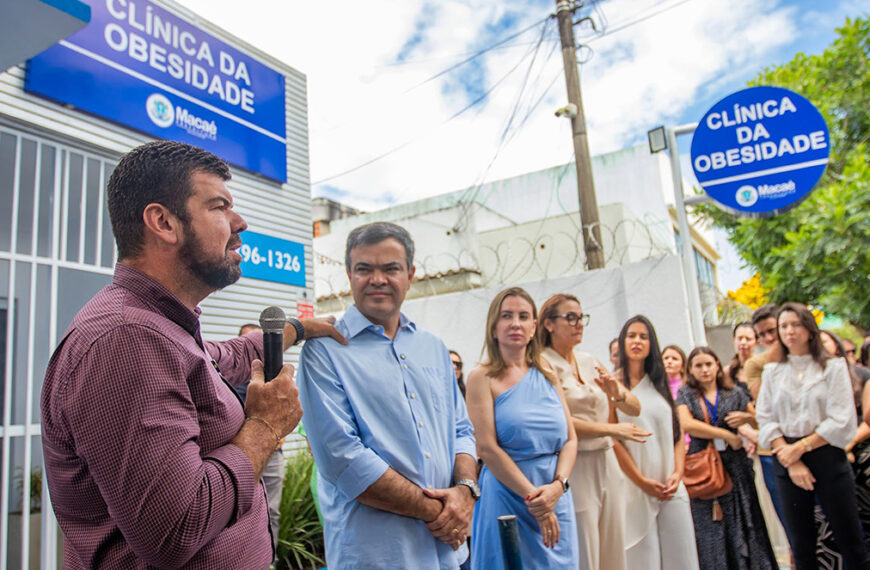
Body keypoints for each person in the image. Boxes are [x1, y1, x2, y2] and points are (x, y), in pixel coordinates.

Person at [40, 141, 346, 569]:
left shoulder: (163, 328)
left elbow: (228, 357)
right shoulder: (127, 338)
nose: (240, 222)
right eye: (220, 206)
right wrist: (264, 427)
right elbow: (175, 530)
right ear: (164, 222)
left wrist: (298, 329)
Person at [297, 222, 478, 570]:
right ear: (349, 275)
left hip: (450, 554)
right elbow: (343, 459)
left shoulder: (433, 347)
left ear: (410, 275)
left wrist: (466, 489)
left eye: (390, 268)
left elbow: (461, 430)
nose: (377, 279)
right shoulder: (325, 351)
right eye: (364, 269)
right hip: (378, 555)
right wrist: (440, 512)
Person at [466, 287, 579, 569]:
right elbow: (487, 448)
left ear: (534, 327)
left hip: (555, 495)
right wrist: (534, 499)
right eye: (506, 316)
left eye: (523, 316)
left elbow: (570, 439)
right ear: (493, 327)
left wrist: (557, 486)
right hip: (508, 496)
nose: (515, 323)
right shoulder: (481, 377)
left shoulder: (546, 370)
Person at [756, 302, 870, 570]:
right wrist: (791, 456)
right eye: (783, 325)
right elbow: (765, 417)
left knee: (849, 537)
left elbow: (842, 418)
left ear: (809, 329)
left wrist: (802, 447)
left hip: (827, 453)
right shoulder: (773, 372)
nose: (789, 331)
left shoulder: (833, 367)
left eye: (795, 324)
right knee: (802, 543)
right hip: (787, 459)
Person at [538, 293, 643, 570]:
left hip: (606, 462)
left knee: (613, 547)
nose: (579, 324)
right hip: (576, 465)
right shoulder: (542, 363)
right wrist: (611, 429)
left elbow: (635, 408)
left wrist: (616, 393)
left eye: (581, 317)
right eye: (570, 318)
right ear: (548, 324)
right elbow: (561, 421)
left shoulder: (589, 360)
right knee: (586, 547)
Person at [676, 347, 778, 570]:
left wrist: (747, 419)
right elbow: (687, 424)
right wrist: (725, 435)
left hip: (736, 466)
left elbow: (757, 417)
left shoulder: (734, 393)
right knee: (710, 528)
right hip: (704, 466)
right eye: (698, 366)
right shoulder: (686, 394)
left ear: (717, 366)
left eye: (708, 364)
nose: (704, 370)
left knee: (747, 519)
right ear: (690, 369)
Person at [612, 315, 700, 570]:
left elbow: (676, 435)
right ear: (622, 342)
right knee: (642, 561)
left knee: (681, 557)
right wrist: (640, 481)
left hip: (670, 486)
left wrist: (677, 474)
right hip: (634, 487)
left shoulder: (661, 384)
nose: (637, 341)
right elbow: (614, 439)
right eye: (631, 335)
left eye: (643, 336)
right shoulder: (612, 385)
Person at [233, 322, 284, 556]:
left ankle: (269, 560)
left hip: (274, 453)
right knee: (243, 512)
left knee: (272, 509)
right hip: (244, 455)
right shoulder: (229, 379)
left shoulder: (277, 375)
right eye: (249, 341)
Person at [726, 322, 757, 395]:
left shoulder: (764, 367)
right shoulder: (728, 372)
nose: (743, 342)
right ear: (734, 341)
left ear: (757, 342)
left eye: (748, 339)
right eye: (739, 338)